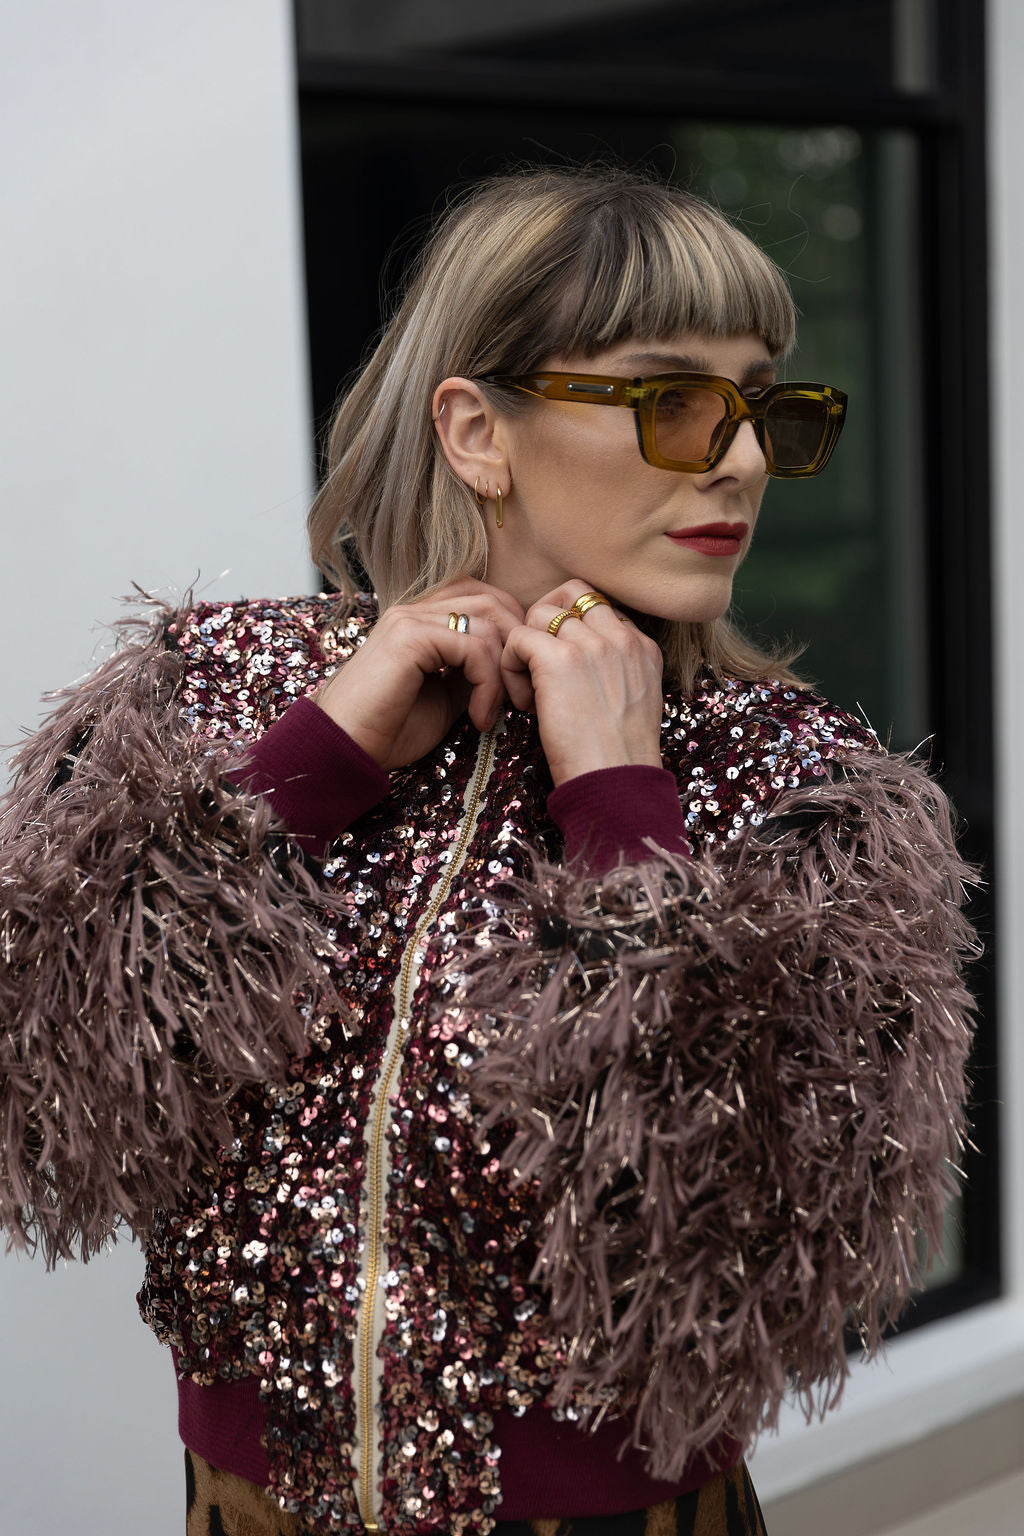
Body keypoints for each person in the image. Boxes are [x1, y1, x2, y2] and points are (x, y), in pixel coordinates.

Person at [0, 166, 977, 1536]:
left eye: (763, 404)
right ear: (476, 431)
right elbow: (40, 1087)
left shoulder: (807, 792)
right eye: (673, 401)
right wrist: (307, 768)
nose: (746, 460)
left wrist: (624, 817)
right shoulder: (214, 691)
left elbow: (762, 1261)